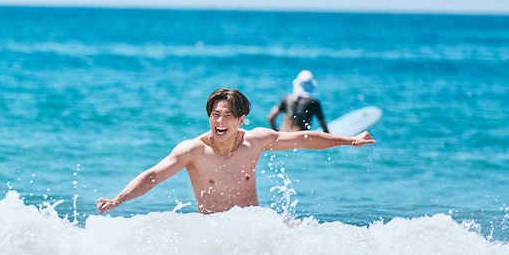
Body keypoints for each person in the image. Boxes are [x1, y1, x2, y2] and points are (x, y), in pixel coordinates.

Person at [96, 87, 374, 215]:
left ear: (241, 120)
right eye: (215, 115)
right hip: (217, 235)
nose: (219, 121)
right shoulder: (192, 150)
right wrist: (116, 201)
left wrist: (349, 141)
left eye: (227, 116)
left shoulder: (255, 141)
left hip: (252, 230)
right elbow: (153, 176)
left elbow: (302, 138)